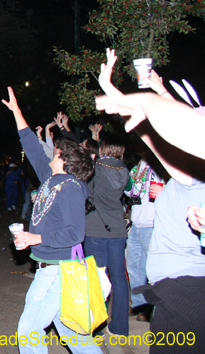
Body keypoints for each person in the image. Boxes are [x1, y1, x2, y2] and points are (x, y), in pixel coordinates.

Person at [96, 48, 205, 350]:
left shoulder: (194, 176)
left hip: (189, 293)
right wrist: (129, 103)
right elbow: (159, 139)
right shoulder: (185, 174)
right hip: (173, 295)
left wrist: (139, 99)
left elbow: (182, 131)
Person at [2, 87, 101, 354]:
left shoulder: (69, 187)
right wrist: (17, 112)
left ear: (63, 159)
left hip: (58, 270)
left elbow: (75, 234)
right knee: (72, 334)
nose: (52, 152)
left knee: (29, 331)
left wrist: (37, 238)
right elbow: (31, 147)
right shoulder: (52, 179)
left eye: (56, 151)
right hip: (49, 267)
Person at [84, 133, 130, 336]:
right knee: (119, 278)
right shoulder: (124, 170)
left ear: (103, 149)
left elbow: (86, 192)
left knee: (96, 277)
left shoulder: (97, 169)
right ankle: (119, 327)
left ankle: (96, 324)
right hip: (118, 231)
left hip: (96, 228)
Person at [124, 155, 160, 321]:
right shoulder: (136, 170)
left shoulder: (160, 169)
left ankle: (154, 308)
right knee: (133, 268)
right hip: (137, 223)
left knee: (152, 270)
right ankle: (139, 305)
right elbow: (129, 191)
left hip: (152, 225)